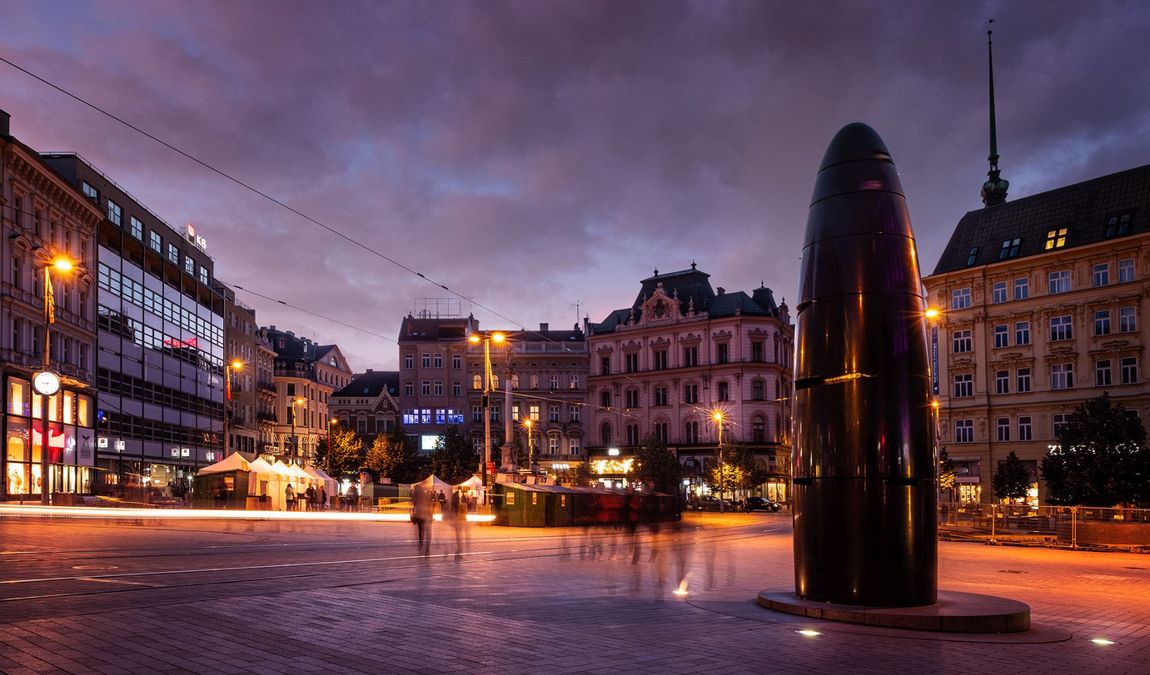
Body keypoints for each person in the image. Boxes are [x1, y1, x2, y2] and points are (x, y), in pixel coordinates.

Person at [411, 484, 433, 556]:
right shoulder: (426, 494)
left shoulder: (416, 496)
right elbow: (429, 504)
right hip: (426, 515)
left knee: (420, 531)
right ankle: (427, 548)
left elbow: (413, 505)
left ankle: (421, 544)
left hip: (419, 515)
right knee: (427, 532)